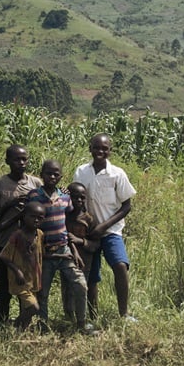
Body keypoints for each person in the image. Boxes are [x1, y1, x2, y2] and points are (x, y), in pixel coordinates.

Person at [73, 133, 137, 320]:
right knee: (91, 275)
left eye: (104, 148)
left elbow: (126, 206)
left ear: (110, 151)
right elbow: (77, 199)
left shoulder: (117, 174)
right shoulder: (81, 171)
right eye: (96, 147)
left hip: (111, 231)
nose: (100, 151)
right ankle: (92, 316)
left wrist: (104, 226)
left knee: (120, 266)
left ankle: (124, 313)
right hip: (88, 232)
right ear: (90, 148)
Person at [27, 160, 89, 332]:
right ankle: (43, 326)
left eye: (56, 174)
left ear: (61, 176)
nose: (52, 177)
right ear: (42, 174)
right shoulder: (34, 196)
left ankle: (81, 323)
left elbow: (68, 222)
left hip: (64, 250)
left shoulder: (65, 197)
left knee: (80, 284)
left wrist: (74, 249)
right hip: (44, 253)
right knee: (43, 292)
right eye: (49, 173)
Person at [0, 144, 43, 326]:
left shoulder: (35, 183)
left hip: (27, 247)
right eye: (16, 159)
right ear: (7, 161)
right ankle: (1, 322)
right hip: (5, 244)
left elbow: (47, 203)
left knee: (25, 285)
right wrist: (10, 205)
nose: (21, 163)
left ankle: (22, 322)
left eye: (24, 159)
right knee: (4, 288)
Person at [0, 201, 45, 331]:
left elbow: (41, 254)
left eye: (40, 218)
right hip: (20, 280)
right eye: (32, 216)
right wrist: (17, 271)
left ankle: (20, 332)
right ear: (24, 216)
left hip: (33, 279)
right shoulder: (17, 236)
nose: (36, 220)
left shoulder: (39, 234)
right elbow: (4, 256)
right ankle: (15, 324)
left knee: (27, 309)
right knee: (33, 307)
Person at [63, 182, 99, 329]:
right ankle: (68, 319)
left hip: (85, 262)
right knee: (67, 291)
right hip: (65, 260)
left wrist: (80, 241)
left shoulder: (89, 219)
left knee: (82, 290)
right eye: (74, 197)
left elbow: (96, 245)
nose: (78, 200)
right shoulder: (63, 216)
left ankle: (82, 321)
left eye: (82, 198)